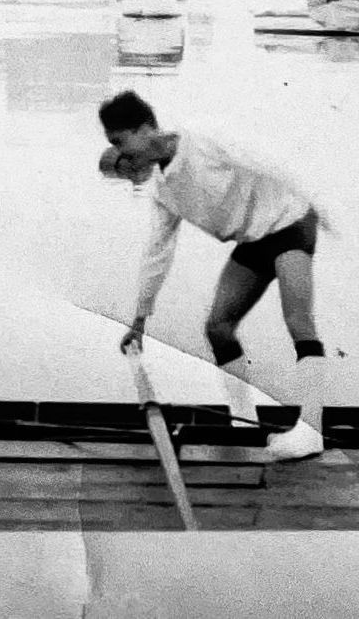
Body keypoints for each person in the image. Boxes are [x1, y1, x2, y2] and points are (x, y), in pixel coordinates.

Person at [99, 90, 327, 462]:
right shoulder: (163, 191)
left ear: (144, 130)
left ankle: (311, 431)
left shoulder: (201, 140)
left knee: (298, 320)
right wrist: (139, 321)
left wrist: (322, 205)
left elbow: (267, 160)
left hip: (291, 222)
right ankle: (244, 422)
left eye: (120, 142)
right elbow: (157, 253)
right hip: (254, 240)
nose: (121, 154)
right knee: (218, 327)